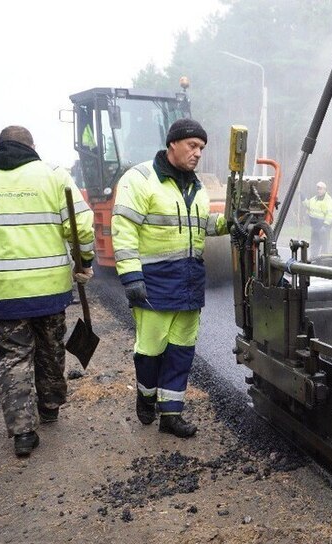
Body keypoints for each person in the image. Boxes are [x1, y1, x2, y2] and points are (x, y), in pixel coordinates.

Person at [112, 118, 227, 438]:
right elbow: (123, 230)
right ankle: (146, 396)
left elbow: (200, 225)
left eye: (201, 148)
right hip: (154, 283)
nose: (198, 153)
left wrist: (229, 224)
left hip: (189, 282)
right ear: (173, 143)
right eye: (192, 146)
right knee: (150, 351)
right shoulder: (140, 179)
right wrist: (131, 276)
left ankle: (171, 414)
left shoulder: (196, 185)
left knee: (181, 350)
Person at [0, 125, 95, 457]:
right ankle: (49, 407)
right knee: (50, 350)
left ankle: (23, 433)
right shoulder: (53, 175)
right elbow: (82, 226)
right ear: (32, 145)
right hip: (49, 290)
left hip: (3, 293)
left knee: (13, 359)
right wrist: (84, 261)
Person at [301, 181, 332, 257]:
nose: (318, 190)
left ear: (325, 190)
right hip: (315, 226)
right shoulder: (314, 199)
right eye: (318, 189)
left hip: (323, 227)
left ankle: (323, 263)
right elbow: (308, 205)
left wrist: (325, 226)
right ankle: (313, 260)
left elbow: (330, 215)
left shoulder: (329, 200)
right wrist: (303, 198)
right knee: (314, 245)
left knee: (324, 246)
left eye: (320, 189)